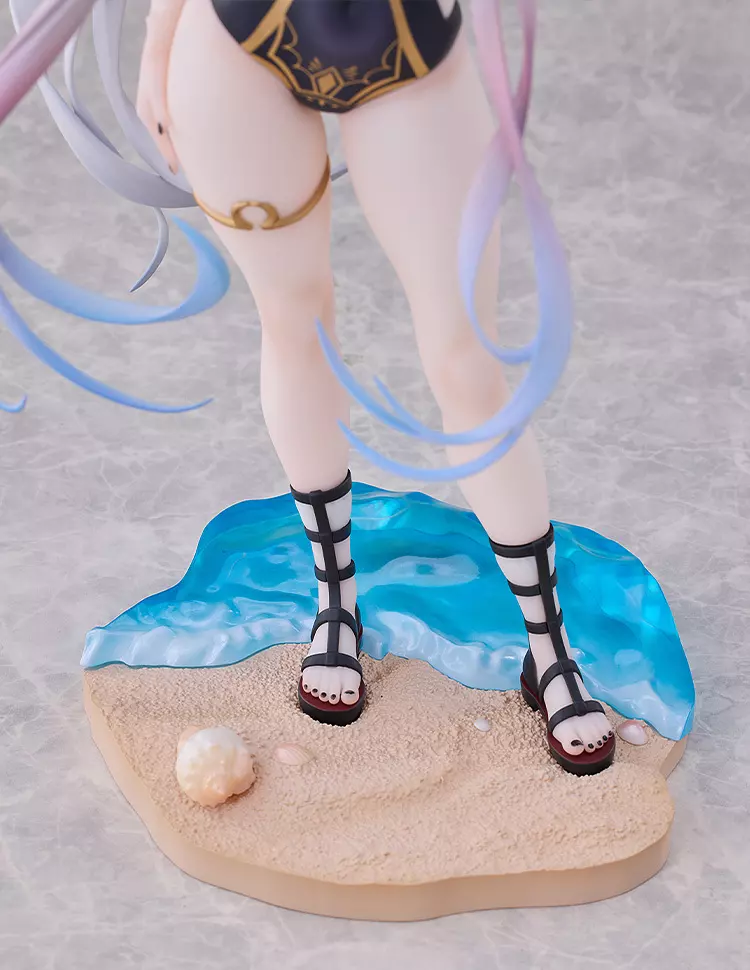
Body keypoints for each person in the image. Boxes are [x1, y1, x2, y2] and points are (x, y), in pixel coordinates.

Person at [1, 0, 615, 774]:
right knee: (292, 318)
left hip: (409, 42)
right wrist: (157, 47)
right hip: (233, 40)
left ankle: (549, 649)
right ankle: (336, 602)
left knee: (463, 357)